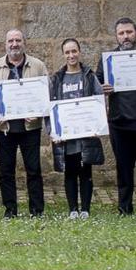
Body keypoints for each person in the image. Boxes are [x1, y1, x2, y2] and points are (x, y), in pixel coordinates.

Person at [0, 29, 48, 218]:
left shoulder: (38, 66)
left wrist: (38, 113)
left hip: (30, 127)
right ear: (5, 44)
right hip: (4, 128)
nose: (14, 44)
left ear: (24, 42)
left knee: (34, 170)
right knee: (6, 171)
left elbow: (45, 95)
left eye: (18, 40)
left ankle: (37, 210)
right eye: (11, 40)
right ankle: (10, 209)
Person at [95, 18, 136, 217]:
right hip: (119, 122)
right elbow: (97, 85)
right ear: (116, 36)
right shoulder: (108, 60)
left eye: (129, 32)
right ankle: (124, 208)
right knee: (124, 169)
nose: (125, 36)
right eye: (121, 33)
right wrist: (102, 89)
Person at [50, 38, 105, 219]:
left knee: (85, 171)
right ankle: (73, 208)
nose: (71, 55)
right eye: (67, 52)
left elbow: (100, 101)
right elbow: (50, 106)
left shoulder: (89, 76)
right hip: (66, 136)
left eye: (74, 51)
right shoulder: (58, 79)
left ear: (79, 52)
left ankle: (86, 209)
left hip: (86, 133)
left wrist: (99, 126)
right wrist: (53, 131)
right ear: (63, 54)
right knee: (70, 171)